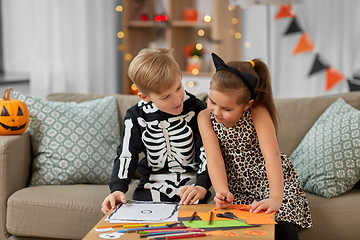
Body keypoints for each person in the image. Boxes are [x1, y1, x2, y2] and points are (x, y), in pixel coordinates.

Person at [198, 53, 312, 239]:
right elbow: (214, 159)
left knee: (281, 229)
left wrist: (275, 198)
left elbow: (272, 156)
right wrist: (221, 192)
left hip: (271, 183)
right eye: (212, 101)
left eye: (226, 109)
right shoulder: (204, 117)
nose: (216, 112)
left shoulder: (257, 112)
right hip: (237, 188)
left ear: (247, 105)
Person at [101, 48, 211, 214]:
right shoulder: (135, 116)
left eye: (178, 87)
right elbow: (126, 155)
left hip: (192, 186)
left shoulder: (196, 108)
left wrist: (202, 185)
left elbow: (207, 151)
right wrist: (117, 188)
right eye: (166, 97)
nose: (177, 99)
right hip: (152, 186)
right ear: (145, 97)